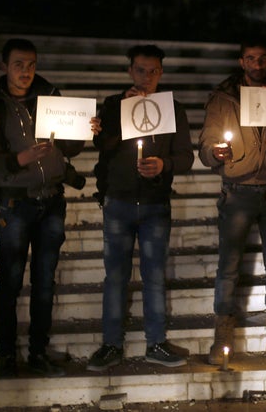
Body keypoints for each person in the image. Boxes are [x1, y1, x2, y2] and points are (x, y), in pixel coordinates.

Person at [0, 38, 90, 378]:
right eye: (19, 64)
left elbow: (70, 148)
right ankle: (6, 353)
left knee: (44, 281)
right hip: (14, 204)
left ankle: (38, 351)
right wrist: (22, 158)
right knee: (10, 279)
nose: (26, 72)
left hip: (51, 201)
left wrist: (85, 131)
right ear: (4, 67)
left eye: (32, 65)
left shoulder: (51, 100)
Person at [86, 45, 194, 371]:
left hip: (154, 203)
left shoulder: (172, 108)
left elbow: (186, 157)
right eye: (140, 70)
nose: (146, 77)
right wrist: (121, 112)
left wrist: (164, 164)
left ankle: (156, 343)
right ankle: (110, 345)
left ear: (161, 72)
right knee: (115, 277)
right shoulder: (112, 105)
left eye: (153, 71)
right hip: (118, 201)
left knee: (154, 276)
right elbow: (102, 145)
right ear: (130, 71)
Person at [199, 39, 266, 365]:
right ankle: (223, 335)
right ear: (241, 62)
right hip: (238, 190)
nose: (258, 65)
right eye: (251, 59)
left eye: (263, 59)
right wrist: (215, 153)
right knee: (228, 267)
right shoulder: (223, 97)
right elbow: (205, 144)